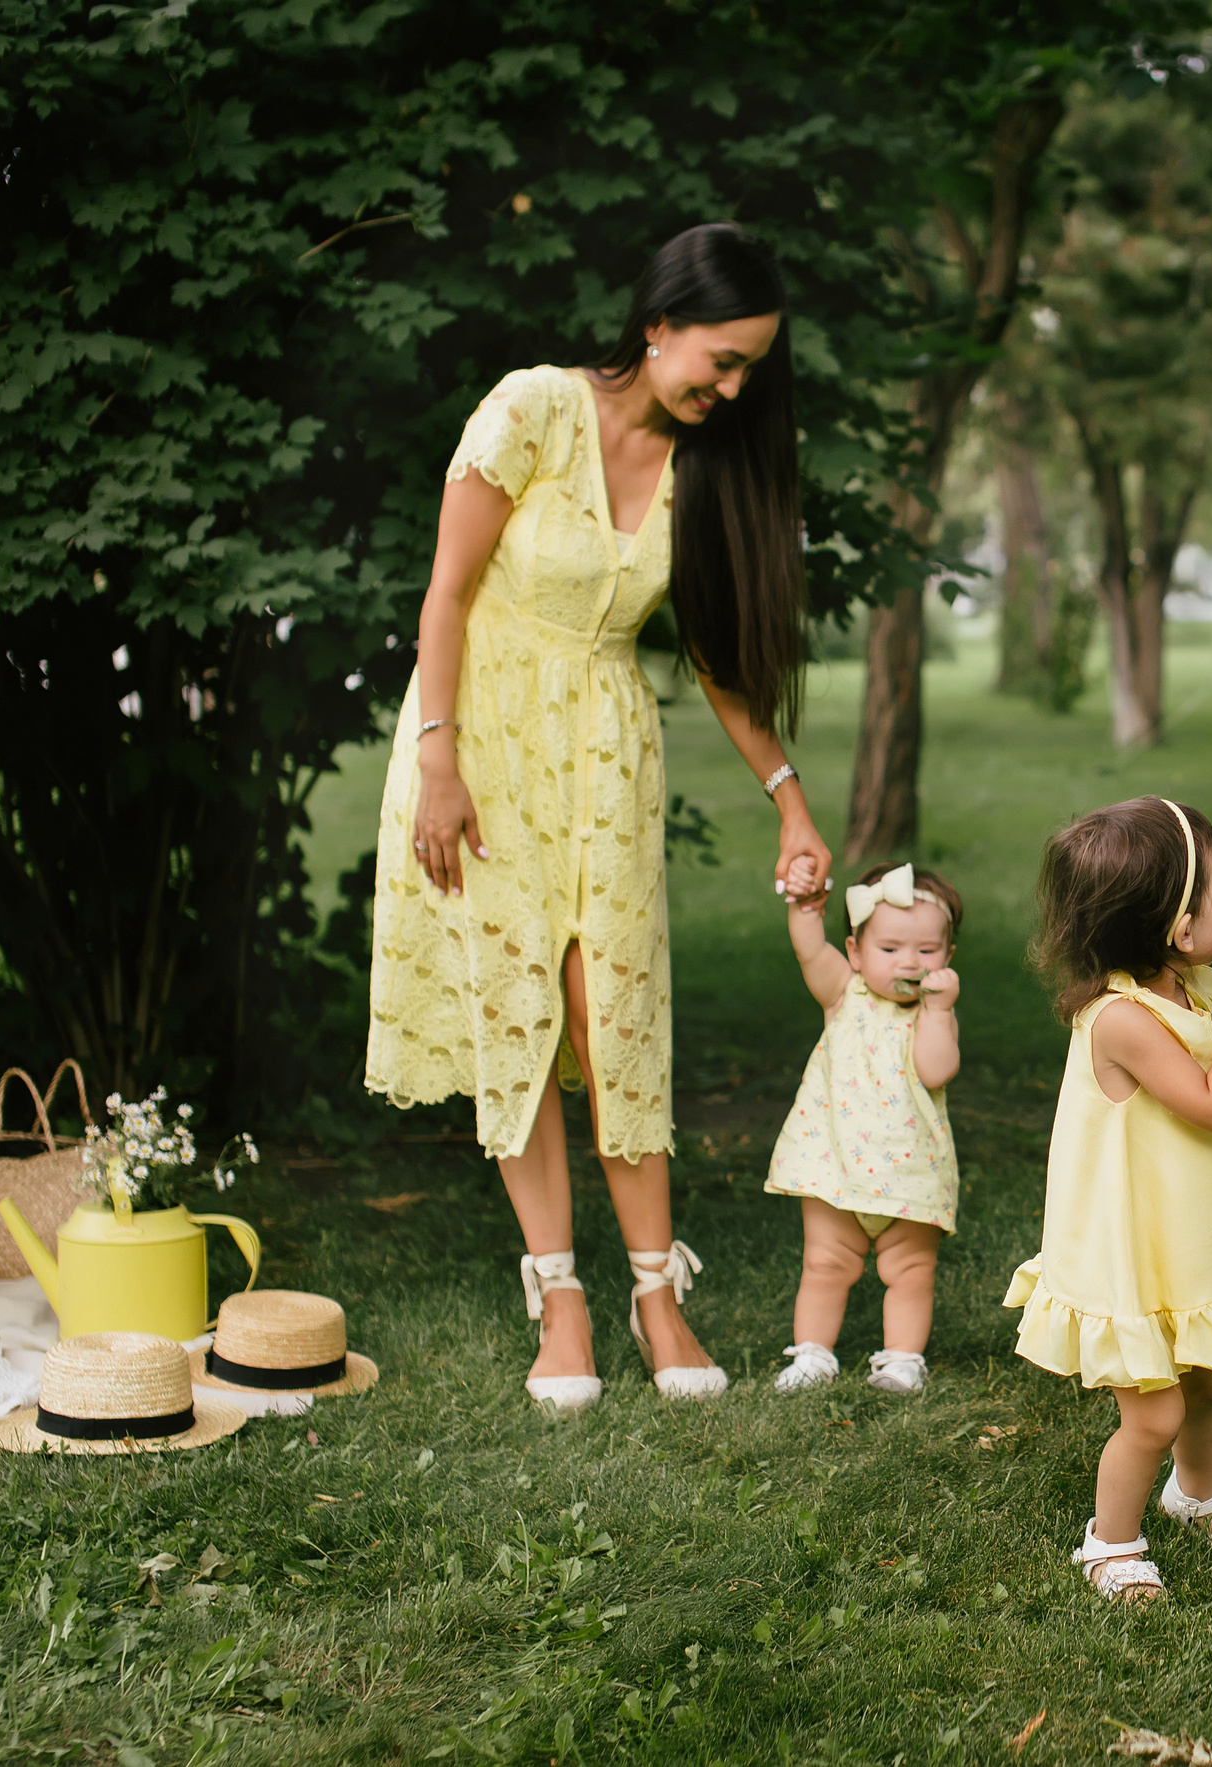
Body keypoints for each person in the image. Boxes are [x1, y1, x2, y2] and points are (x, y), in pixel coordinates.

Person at [365, 223, 831, 1412]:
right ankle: (560, 1298)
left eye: (746, 374)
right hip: (482, 741)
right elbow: (448, 592)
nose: (728, 391)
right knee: (520, 1005)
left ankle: (655, 1297)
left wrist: (789, 802)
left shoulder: (706, 466)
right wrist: (439, 762)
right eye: (718, 361)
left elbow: (719, 661)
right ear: (658, 322)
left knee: (610, 1013)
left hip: (608, 755)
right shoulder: (531, 410)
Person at [1006, 798, 1212, 1601]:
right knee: (1154, 1415)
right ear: (1176, 927)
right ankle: (1111, 1541)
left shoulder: (1172, 973)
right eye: (1209, 885)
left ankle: (1193, 1491)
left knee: (1206, 1378)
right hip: (1126, 1251)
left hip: (1183, 1233)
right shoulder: (1124, 1018)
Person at [763, 859, 964, 1397]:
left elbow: (937, 1070)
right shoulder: (842, 993)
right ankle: (812, 1354)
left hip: (910, 1172)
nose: (910, 962)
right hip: (835, 1165)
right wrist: (805, 905)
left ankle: (902, 1359)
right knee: (824, 1262)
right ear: (855, 953)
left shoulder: (931, 1013)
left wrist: (941, 1012)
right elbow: (809, 946)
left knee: (911, 1268)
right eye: (890, 949)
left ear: (948, 958)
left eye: (927, 951)